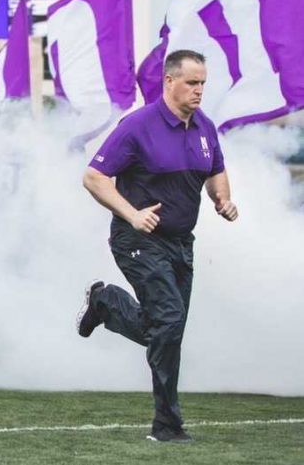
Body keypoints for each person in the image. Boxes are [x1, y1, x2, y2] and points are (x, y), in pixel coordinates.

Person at [76, 49, 238, 443]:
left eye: (203, 83)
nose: (199, 90)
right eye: (192, 82)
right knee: (167, 323)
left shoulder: (205, 127)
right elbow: (94, 177)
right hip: (138, 240)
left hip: (182, 244)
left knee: (168, 329)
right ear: (170, 81)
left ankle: (105, 303)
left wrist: (223, 200)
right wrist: (131, 214)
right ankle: (166, 425)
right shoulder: (138, 126)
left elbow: (215, 170)